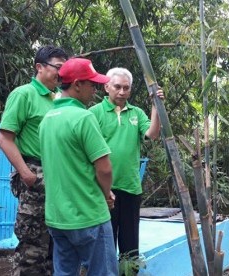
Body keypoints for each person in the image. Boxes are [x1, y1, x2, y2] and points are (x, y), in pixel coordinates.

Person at [39, 58, 118, 275]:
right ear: (76, 85)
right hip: (88, 214)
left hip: (57, 216)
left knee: (64, 272)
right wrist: (107, 194)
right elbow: (104, 168)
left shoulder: (47, 119)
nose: (95, 89)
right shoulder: (83, 117)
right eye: (91, 84)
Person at [0, 45, 68, 276]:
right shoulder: (24, 94)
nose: (62, 73)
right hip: (34, 172)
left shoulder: (59, 99)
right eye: (58, 67)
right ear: (40, 67)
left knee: (53, 244)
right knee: (32, 246)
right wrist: (26, 173)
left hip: (57, 175)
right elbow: (5, 137)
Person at [89, 67, 163, 259]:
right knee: (105, 245)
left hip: (130, 187)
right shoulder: (94, 113)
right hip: (103, 190)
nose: (122, 92)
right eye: (117, 87)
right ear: (107, 87)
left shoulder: (136, 113)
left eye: (126, 88)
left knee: (130, 248)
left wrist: (156, 106)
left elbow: (152, 134)